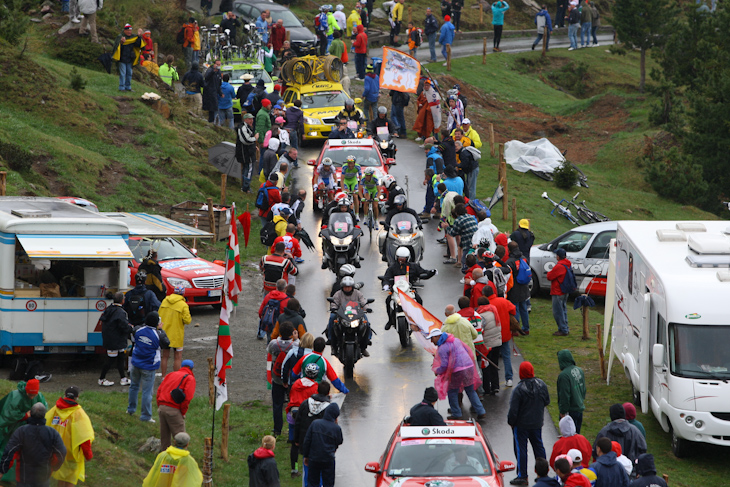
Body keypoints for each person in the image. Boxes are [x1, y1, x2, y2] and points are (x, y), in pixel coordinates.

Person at [0, 403, 65, 486]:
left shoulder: (21, 431)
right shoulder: (52, 433)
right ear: (44, 415)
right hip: (43, 476)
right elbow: (61, 453)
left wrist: (2, 470)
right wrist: (54, 466)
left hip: (24, 477)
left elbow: (10, 452)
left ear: (30, 413)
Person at [507, 361, 550, 486]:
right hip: (537, 423)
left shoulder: (519, 390)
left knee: (521, 450)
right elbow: (546, 400)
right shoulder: (541, 385)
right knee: (539, 448)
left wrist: (511, 422)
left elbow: (513, 411)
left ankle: (522, 476)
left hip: (521, 425)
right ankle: (543, 473)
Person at [428, 329, 485, 420]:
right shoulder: (455, 340)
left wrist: (437, 371)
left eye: (432, 338)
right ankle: (481, 411)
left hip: (457, 371)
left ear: (437, 336)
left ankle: (456, 413)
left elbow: (445, 365)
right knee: (470, 390)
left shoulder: (442, 348)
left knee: (452, 392)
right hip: (469, 366)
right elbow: (467, 349)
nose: (431, 341)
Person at [45, 386, 93, 487]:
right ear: (77, 397)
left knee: (60, 478)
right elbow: (83, 437)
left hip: (55, 452)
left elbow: (44, 426)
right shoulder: (79, 414)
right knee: (70, 479)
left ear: (64, 395)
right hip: (71, 454)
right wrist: (88, 455)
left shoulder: (54, 410)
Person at [128, 311, 169, 422]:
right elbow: (166, 343)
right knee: (147, 391)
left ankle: (131, 409)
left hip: (136, 363)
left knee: (133, 386)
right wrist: (160, 330)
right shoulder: (158, 334)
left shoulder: (138, 330)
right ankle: (146, 416)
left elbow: (132, 336)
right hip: (149, 366)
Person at [295, 381, 331, 484]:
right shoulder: (328, 408)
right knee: (320, 471)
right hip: (322, 445)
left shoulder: (305, 403)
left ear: (317, 390)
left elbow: (298, 422)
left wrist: (297, 440)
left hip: (306, 441)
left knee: (307, 468)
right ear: (328, 393)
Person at [156, 359, 195, 451]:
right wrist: (182, 412)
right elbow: (187, 398)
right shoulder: (189, 378)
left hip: (162, 408)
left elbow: (159, 391)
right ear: (192, 369)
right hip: (174, 410)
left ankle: (164, 459)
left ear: (181, 367)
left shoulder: (170, 374)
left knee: (164, 438)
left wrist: (160, 405)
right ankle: (180, 460)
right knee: (181, 439)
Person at [328, 276, 371, 356]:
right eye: (345, 287)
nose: (347, 289)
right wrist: (333, 308)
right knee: (332, 319)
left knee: (366, 323)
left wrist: (367, 308)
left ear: (352, 287)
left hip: (356, 316)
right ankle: (332, 344)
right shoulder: (338, 294)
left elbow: (363, 302)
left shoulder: (357, 293)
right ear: (342, 287)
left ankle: (364, 345)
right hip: (341, 316)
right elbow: (334, 303)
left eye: (349, 287)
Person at [302, 403, 343, 487]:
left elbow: (307, 441)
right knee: (328, 483)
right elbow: (339, 441)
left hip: (314, 458)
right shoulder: (336, 428)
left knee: (313, 482)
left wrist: (306, 456)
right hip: (328, 459)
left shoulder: (315, 424)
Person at [267, 322, 297, 436]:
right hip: (290, 380)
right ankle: (292, 429)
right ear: (291, 334)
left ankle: (277, 429)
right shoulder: (294, 345)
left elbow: (269, 351)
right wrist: (296, 338)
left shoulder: (274, 344)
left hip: (277, 378)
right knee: (292, 404)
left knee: (277, 404)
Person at [98, 292, 132, 387]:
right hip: (116, 340)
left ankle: (123, 378)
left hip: (110, 339)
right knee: (110, 360)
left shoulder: (109, 309)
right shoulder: (121, 312)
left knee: (121, 357)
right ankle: (101, 379)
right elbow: (123, 326)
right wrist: (131, 328)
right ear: (122, 300)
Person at [158, 286, 191, 377]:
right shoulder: (183, 305)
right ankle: (176, 377)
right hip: (177, 335)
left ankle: (163, 377)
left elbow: (159, 315)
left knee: (165, 356)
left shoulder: (165, 301)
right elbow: (187, 320)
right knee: (177, 357)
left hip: (165, 333)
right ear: (183, 294)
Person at [557, 349, 586, 433]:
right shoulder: (579, 370)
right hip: (579, 408)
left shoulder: (564, 376)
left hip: (570, 412)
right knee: (577, 436)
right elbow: (583, 389)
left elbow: (564, 395)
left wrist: (563, 412)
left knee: (568, 438)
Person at [547, 248, 571, 336]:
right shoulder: (567, 264)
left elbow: (550, 276)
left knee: (558, 311)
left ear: (558, 256)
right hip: (564, 290)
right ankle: (565, 327)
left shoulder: (559, 266)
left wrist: (549, 273)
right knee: (563, 309)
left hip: (558, 291)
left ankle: (563, 329)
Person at [112, 24, 143, 92]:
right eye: (128, 30)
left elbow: (138, 45)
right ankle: (121, 88)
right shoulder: (120, 37)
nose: (129, 32)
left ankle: (128, 87)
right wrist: (121, 43)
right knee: (123, 74)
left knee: (129, 73)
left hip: (130, 59)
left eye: (130, 30)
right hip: (122, 59)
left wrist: (139, 36)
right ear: (125, 30)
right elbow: (116, 47)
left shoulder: (133, 37)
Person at [237, 113, 258, 193]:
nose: (252, 121)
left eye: (252, 119)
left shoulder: (247, 127)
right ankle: (245, 187)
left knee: (247, 169)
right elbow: (246, 140)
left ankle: (246, 186)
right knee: (249, 170)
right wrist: (255, 138)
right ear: (245, 119)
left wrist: (254, 146)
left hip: (248, 152)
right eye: (250, 119)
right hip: (246, 153)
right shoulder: (243, 127)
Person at [202, 59, 222, 124]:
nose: (218, 66)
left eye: (219, 65)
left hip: (215, 92)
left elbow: (219, 83)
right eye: (217, 64)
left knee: (214, 108)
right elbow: (206, 77)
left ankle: (213, 122)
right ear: (214, 64)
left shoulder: (219, 72)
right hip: (209, 93)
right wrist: (213, 71)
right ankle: (211, 122)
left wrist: (220, 92)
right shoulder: (210, 70)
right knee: (212, 108)